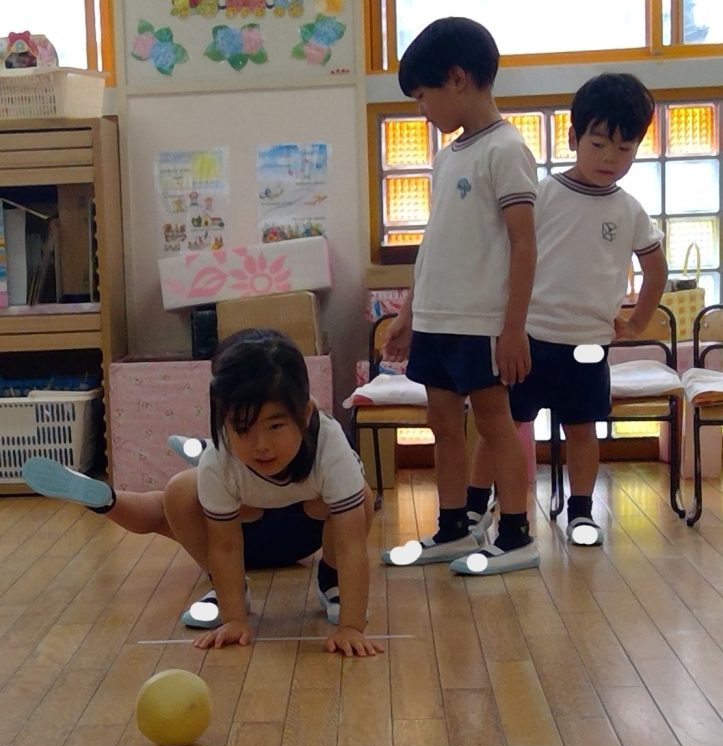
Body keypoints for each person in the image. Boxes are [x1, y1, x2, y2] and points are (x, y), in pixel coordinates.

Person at [22, 328, 383, 657]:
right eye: (242, 429)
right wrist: (235, 618)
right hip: (244, 537)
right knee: (179, 493)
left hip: (308, 532)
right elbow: (224, 547)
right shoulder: (221, 459)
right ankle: (110, 503)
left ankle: (331, 581)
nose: (261, 445)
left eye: (275, 426)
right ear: (223, 422)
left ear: (305, 414)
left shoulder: (330, 445)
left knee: (360, 498)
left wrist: (350, 627)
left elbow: (352, 545)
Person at [467, 73, 667, 556]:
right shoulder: (542, 195)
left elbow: (656, 267)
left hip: (588, 342)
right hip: (530, 337)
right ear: (574, 137)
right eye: (598, 144)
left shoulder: (630, 209)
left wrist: (637, 322)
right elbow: (507, 253)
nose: (610, 158)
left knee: (582, 428)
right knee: (503, 424)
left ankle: (581, 511)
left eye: (624, 149)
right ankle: (474, 505)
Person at [381, 16, 540, 575]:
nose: (422, 109)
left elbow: (524, 244)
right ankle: (453, 528)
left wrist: (513, 327)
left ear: (456, 78)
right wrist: (409, 312)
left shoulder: (507, 149)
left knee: (495, 424)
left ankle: (516, 534)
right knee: (442, 423)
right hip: (436, 318)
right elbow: (435, 240)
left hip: (481, 322)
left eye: (423, 96)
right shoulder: (447, 157)